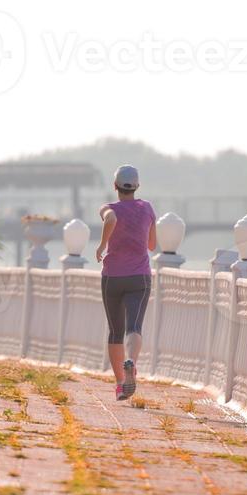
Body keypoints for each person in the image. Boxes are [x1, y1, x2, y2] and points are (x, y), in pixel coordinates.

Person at [94, 165, 157, 401]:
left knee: (115, 331)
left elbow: (110, 218)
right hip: (139, 278)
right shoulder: (147, 208)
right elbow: (152, 245)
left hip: (112, 278)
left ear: (115, 187)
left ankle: (121, 383)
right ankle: (131, 360)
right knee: (134, 328)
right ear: (137, 186)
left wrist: (102, 246)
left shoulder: (108, 208)